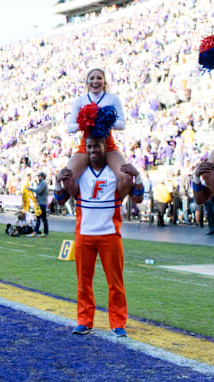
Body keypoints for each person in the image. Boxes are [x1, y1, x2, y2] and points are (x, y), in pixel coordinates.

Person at [54, 135, 143, 338]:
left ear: (106, 148)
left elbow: (137, 197)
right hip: (85, 234)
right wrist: (57, 182)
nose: (93, 150)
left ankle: (118, 322)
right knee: (83, 282)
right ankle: (85, 321)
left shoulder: (116, 174)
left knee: (115, 281)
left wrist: (138, 177)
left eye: (97, 146)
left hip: (109, 234)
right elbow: (60, 201)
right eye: (90, 146)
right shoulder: (80, 174)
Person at [65, 68, 130, 192]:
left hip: (108, 145)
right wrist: (85, 122)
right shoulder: (80, 100)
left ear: (104, 82)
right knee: (68, 178)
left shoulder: (112, 99)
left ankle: (115, 205)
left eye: (99, 78)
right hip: (86, 145)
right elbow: (70, 128)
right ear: (87, 82)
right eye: (92, 78)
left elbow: (122, 125)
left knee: (126, 177)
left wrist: (103, 120)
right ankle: (82, 205)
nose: (96, 81)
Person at [28, 172, 49, 237]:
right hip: (41, 202)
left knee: (39, 218)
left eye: (39, 176)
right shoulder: (41, 183)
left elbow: (38, 191)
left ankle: (36, 232)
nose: (38, 177)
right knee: (42, 218)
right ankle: (45, 233)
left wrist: (30, 189)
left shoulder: (43, 183)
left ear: (42, 177)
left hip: (41, 203)